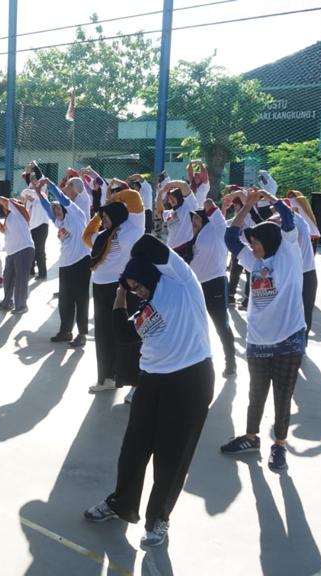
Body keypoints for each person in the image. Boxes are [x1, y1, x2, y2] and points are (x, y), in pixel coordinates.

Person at [84, 234, 214, 548]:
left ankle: (159, 519)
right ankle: (122, 504)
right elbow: (124, 334)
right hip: (153, 380)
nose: (138, 291)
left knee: (171, 456)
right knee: (133, 450)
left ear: (149, 273)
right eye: (133, 288)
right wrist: (120, 294)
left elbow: (149, 243)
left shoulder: (181, 282)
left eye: (139, 284)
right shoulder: (146, 306)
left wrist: (129, 250)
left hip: (189, 379)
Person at [220, 189, 305, 471]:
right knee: (256, 393)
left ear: (269, 241)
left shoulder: (289, 254)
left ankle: (279, 446)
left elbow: (289, 220)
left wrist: (272, 199)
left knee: (283, 394)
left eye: (256, 242)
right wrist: (246, 207)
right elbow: (230, 238)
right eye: (252, 242)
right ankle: (251, 437)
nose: (252, 246)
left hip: (288, 338)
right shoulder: (253, 261)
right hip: (257, 340)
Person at [83, 191, 145, 396]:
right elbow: (86, 234)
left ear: (118, 215)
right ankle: (107, 378)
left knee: (127, 335)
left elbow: (134, 198)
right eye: (103, 219)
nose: (104, 222)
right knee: (103, 335)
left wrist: (113, 200)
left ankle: (135, 383)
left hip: (121, 289)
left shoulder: (132, 229)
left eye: (107, 218)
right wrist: (100, 213)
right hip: (100, 287)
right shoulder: (102, 237)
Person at [36, 177, 90, 347]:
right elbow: (46, 208)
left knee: (81, 300)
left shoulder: (76, 214)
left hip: (81, 262)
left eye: (59, 208)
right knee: (65, 301)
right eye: (55, 209)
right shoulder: (59, 222)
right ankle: (65, 331)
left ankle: (81, 334)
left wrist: (49, 184)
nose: (57, 211)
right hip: (65, 265)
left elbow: (62, 198)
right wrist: (39, 193)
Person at [187, 196, 237, 377]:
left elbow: (208, 201)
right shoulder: (195, 236)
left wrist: (207, 205)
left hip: (215, 283)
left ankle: (230, 362)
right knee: (194, 326)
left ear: (206, 218)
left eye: (197, 218)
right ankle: (195, 363)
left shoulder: (217, 228)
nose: (193, 222)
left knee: (221, 324)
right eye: (192, 220)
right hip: (196, 286)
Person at [0, 194, 34, 314]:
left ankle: (21, 306)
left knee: (21, 280)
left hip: (23, 249)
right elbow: (3, 230)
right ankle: (7, 302)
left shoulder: (18, 211)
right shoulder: (9, 218)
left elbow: (5, 201)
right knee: (8, 278)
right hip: (12, 252)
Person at [23, 163, 51, 280]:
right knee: (31, 248)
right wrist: (28, 169)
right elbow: (24, 192)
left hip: (42, 224)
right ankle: (31, 271)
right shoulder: (30, 188)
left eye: (35, 178)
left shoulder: (41, 189)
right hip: (31, 225)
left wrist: (34, 166)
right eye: (32, 179)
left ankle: (43, 273)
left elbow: (38, 176)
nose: (33, 180)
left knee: (40, 249)